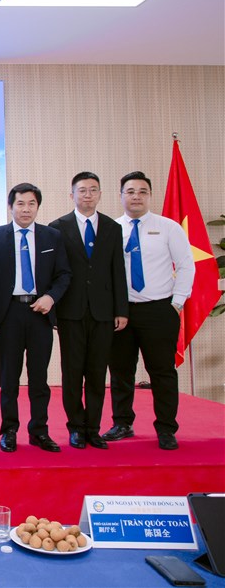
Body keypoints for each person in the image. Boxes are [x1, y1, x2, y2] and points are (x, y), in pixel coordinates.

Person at [104, 171, 195, 450]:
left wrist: (176, 303)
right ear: (121, 195)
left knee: (162, 372)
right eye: (130, 191)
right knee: (121, 371)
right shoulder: (111, 229)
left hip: (159, 309)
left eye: (142, 192)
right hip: (121, 312)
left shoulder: (168, 227)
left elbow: (186, 265)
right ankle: (122, 423)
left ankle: (166, 428)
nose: (136, 197)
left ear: (150, 195)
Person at [0, 183, 71, 453]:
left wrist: (51, 297)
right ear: (10, 206)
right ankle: (9, 430)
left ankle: (39, 431)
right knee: (9, 377)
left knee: (39, 378)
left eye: (31, 204)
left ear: (38, 206)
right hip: (9, 314)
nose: (26, 209)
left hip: (40, 313)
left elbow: (64, 274)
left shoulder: (52, 236)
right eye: (20, 203)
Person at [49, 172, 129, 450]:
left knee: (97, 373)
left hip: (103, 312)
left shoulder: (112, 227)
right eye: (82, 190)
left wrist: (121, 309)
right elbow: (54, 273)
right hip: (70, 311)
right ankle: (75, 427)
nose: (87, 195)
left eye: (93, 190)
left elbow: (118, 270)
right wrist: (53, 311)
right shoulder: (57, 227)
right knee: (72, 373)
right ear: (72, 195)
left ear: (100, 194)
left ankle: (93, 428)